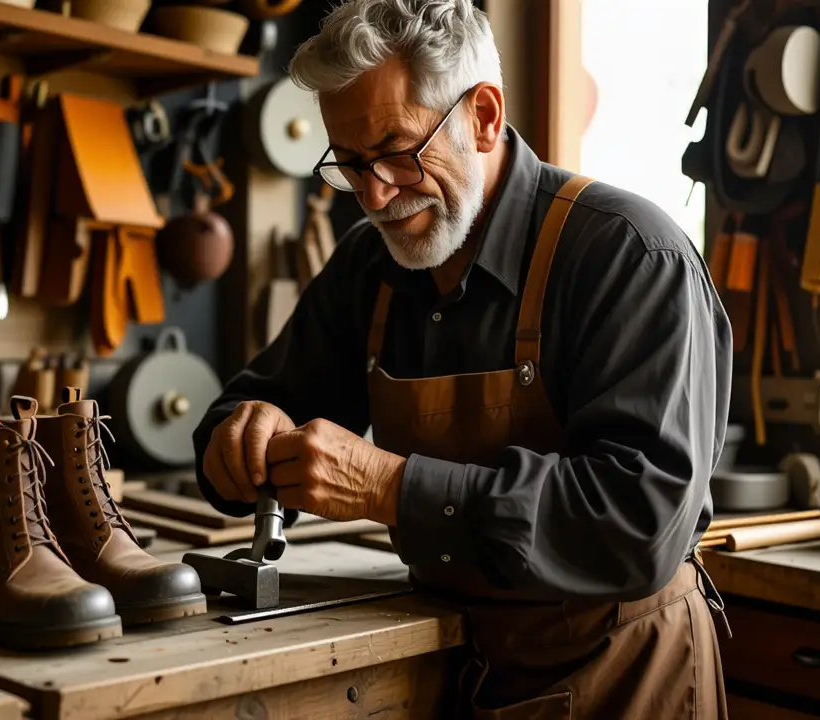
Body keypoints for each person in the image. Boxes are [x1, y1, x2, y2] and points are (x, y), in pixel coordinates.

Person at [192, 0, 732, 716]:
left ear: (481, 115)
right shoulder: (369, 265)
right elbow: (254, 405)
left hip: (623, 677)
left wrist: (391, 488)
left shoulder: (628, 255)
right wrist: (243, 438)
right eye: (349, 165)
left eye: (397, 151)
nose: (375, 195)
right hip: (457, 667)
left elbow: (638, 522)